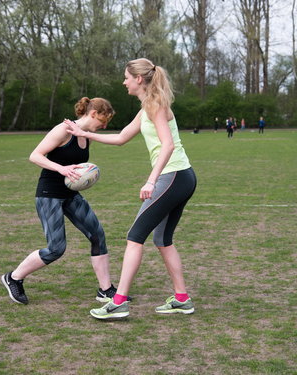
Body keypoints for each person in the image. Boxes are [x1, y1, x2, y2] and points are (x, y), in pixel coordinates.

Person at [65, 58, 197, 319]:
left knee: (134, 237)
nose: (124, 81)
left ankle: (118, 302)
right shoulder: (147, 107)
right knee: (162, 239)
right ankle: (182, 298)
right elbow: (122, 137)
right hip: (181, 177)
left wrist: (151, 180)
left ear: (138, 79)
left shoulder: (156, 105)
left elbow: (168, 145)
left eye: (126, 77)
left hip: (173, 176)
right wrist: (85, 133)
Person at [1, 97, 122, 305]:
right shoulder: (63, 130)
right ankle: (13, 277)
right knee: (56, 248)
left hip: (70, 194)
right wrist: (61, 168)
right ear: (93, 113)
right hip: (49, 194)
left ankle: (105, 290)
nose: (104, 126)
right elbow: (35, 155)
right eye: (103, 120)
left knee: (97, 235)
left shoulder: (86, 136)